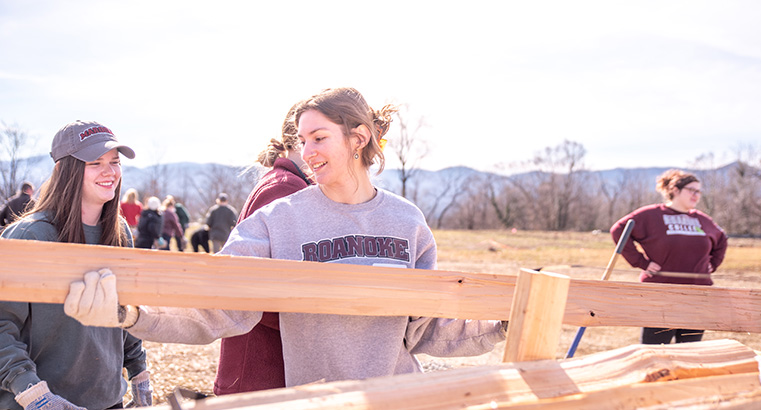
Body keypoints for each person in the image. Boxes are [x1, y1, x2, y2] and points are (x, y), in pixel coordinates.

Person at [63, 87, 507, 389]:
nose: (307, 151)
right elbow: (218, 302)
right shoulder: (279, 220)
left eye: (319, 138)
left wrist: (502, 322)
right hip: (314, 400)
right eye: (302, 139)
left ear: (359, 138)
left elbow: (428, 328)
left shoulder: (406, 220)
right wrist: (132, 312)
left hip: (398, 396)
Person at [0, 120, 151, 409]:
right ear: (63, 171)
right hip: (38, 402)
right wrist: (32, 393)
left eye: (115, 162)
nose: (110, 171)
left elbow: (124, 311)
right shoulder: (30, 237)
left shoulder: (119, 232)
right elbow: (2, 325)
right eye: (95, 162)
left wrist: (138, 368)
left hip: (108, 400)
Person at [214, 103, 313, 395]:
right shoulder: (284, 190)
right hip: (259, 371)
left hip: (268, 369)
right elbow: (253, 285)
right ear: (300, 140)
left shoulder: (292, 185)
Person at [610, 169, 728, 345]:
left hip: (698, 295)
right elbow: (619, 230)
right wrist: (641, 262)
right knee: (655, 351)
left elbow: (722, 239)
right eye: (691, 190)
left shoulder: (703, 220)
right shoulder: (652, 215)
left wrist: (713, 264)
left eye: (699, 191)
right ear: (675, 190)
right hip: (661, 294)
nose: (696, 195)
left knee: (689, 351)